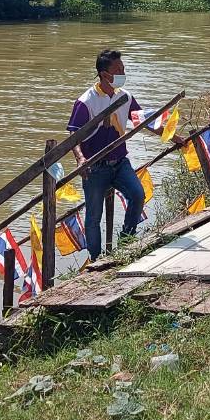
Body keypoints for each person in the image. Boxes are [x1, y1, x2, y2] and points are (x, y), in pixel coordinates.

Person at [67, 49, 147, 262]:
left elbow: (141, 119)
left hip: (120, 162)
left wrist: (172, 135)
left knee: (138, 195)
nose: (122, 73)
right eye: (117, 70)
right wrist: (80, 159)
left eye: (123, 69)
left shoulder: (125, 96)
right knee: (94, 216)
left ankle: (126, 242)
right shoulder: (86, 101)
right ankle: (96, 259)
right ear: (104, 74)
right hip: (95, 166)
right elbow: (74, 134)